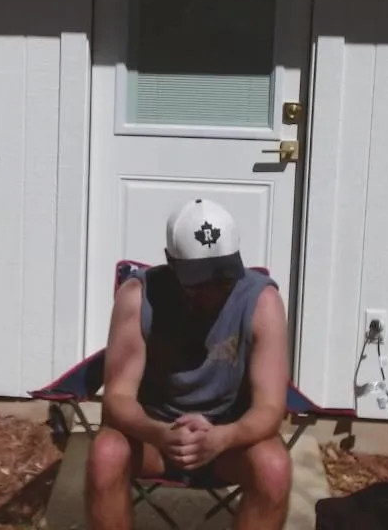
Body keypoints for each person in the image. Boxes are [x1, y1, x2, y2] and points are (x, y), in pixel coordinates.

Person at [86, 198, 292, 529]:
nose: (213, 292)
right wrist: (159, 432)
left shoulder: (262, 302)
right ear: (172, 263)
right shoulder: (138, 296)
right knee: (106, 453)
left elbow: (270, 407)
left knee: (274, 467)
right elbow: (117, 398)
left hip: (228, 441)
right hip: (154, 437)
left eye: (223, 279)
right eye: (199, 283)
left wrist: (225, 437)